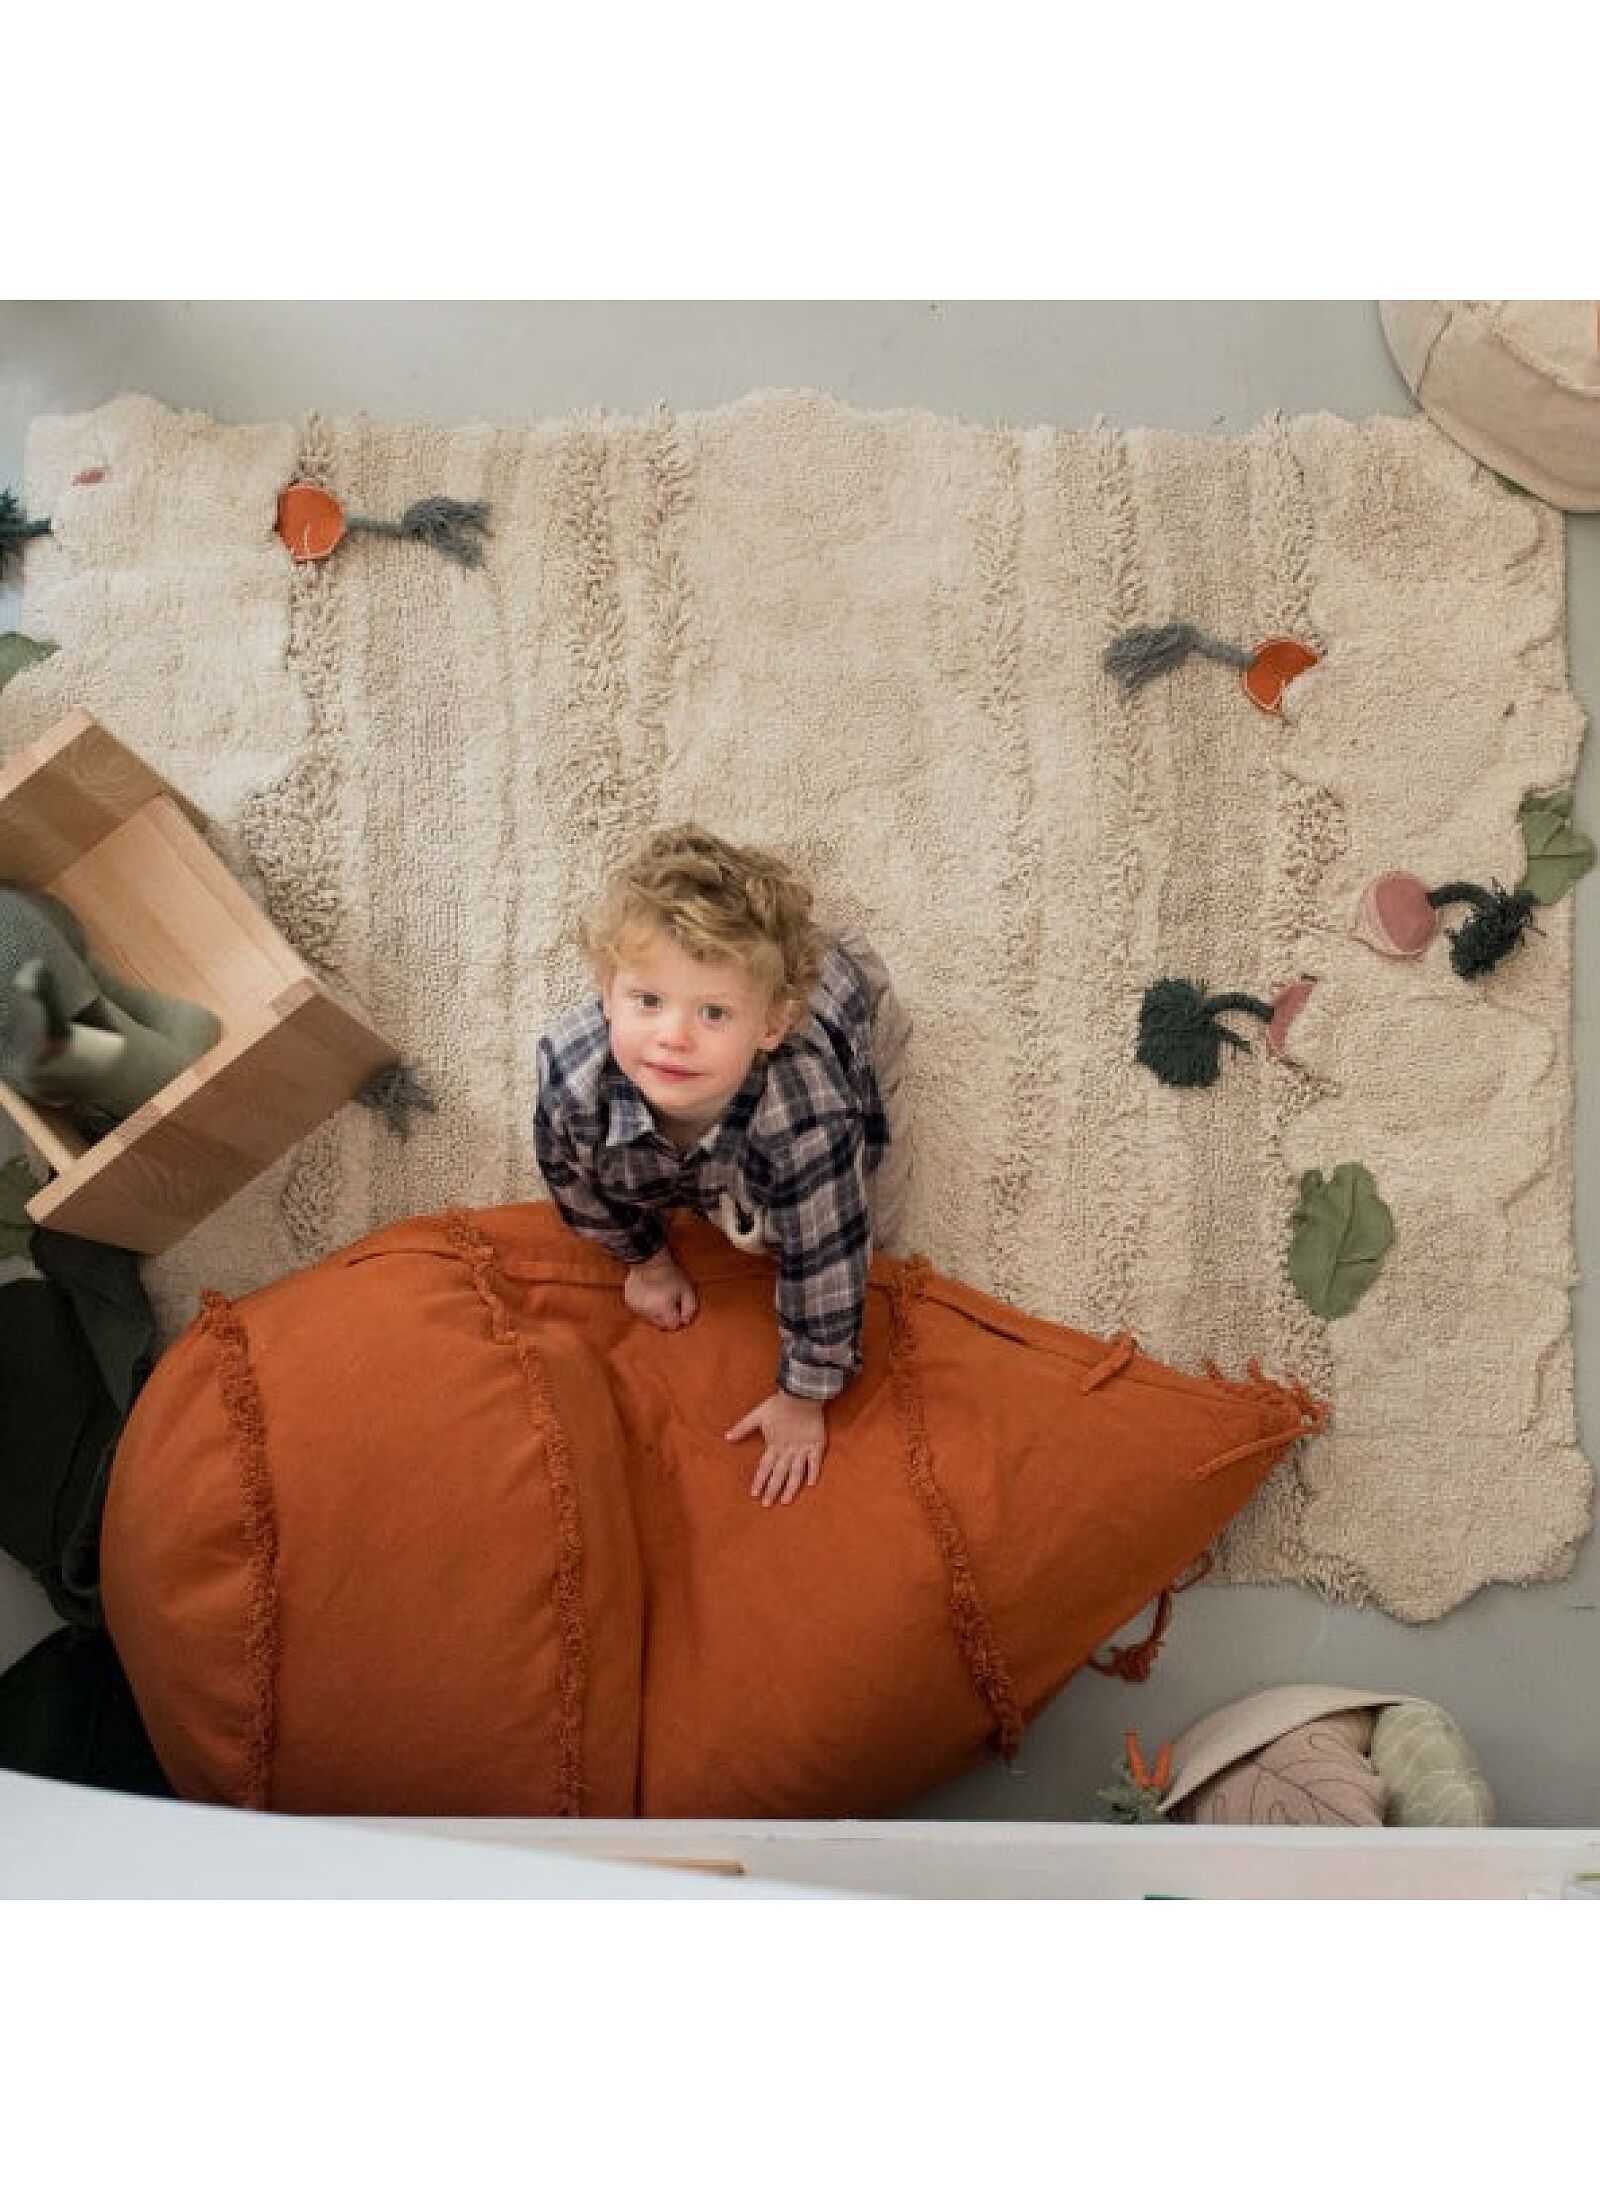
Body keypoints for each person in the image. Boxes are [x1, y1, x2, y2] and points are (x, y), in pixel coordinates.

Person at [534, 824, 908, 1508]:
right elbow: (574, 1185)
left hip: (837, 1022)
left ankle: (817, 973)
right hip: (689, 1149)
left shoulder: (807, 1116)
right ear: (607, 992)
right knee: (628, 1172)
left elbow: (828, 1267)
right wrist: (645, 1261)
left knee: (870, 1231)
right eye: (648, 1001)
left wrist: (804, 1397)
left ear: (770, 1027)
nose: (673, 1036)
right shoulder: (573, 1079)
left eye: (713, 1012)